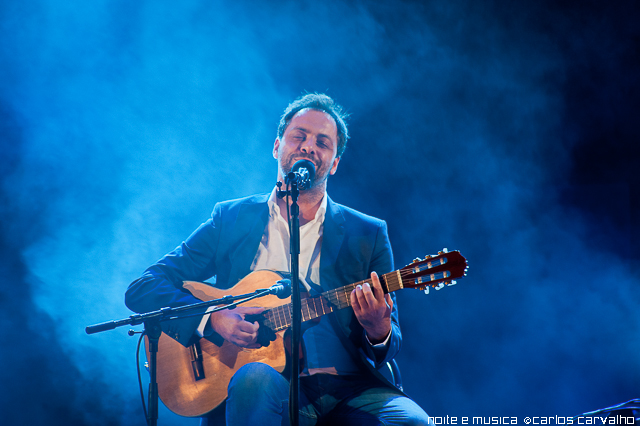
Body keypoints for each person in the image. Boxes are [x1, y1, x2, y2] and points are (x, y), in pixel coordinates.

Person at [125, 93, 432, 425]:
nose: (308, 146)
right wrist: (212, 319)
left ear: (335, 162)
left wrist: (378, 328)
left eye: (322, 142)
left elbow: (389, 343)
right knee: (254, 379)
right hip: (258, 382)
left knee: (414, 422)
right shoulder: (231, 218)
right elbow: (144, 287)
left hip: (349, 387)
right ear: (277, 146)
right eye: (299, 136)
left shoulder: (367, 233)